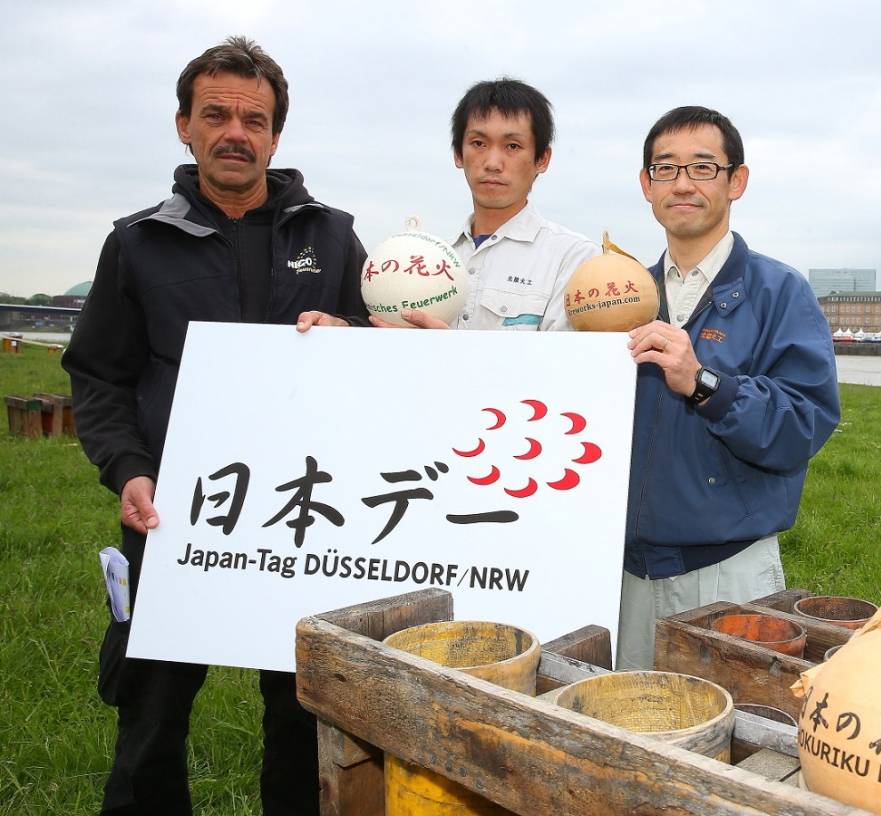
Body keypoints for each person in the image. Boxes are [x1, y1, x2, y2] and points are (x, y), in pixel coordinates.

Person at [62, 36, 366, 815]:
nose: (237, 132)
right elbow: (99, 375)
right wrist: (129, 470)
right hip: (171, 521)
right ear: (184, 126)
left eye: (254, 119)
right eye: (217, 114)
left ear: (275, 134)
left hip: (307, 523)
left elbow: (383, 353)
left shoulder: (331, 236)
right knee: (150, 722)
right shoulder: (136, 243)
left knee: (302, 722)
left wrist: (352, 336)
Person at [617, 106, 841, 670]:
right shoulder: (620, 296)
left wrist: (704, 384)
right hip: (621, 573)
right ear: (646, 185)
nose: (683, 183)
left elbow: (802, 425)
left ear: (736, 180)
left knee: (729, 744)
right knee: (623, 739)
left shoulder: (780, 292)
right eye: (665, 169)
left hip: (727, 572)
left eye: (703, 167)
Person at [373, 78, 597, 331]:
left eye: (512, 146)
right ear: (458, 153)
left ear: (542, 159)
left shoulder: (574, 258)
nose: (492, 163)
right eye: (478, 144)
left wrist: (443, 351)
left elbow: (564, 365)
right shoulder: (427, 259)